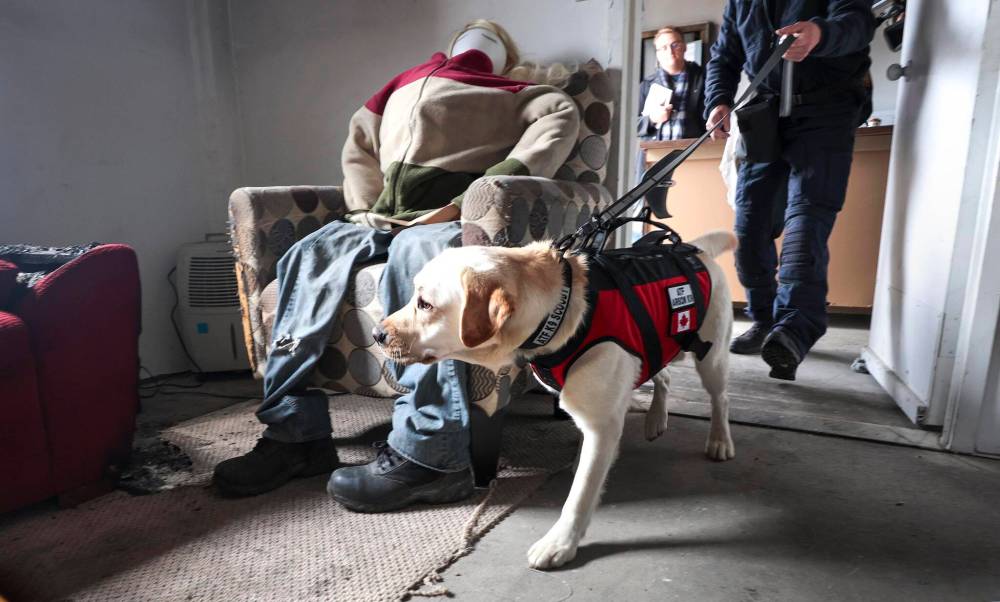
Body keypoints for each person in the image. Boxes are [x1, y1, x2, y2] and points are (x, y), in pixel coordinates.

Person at [212, 20, 579, 511]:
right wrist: (366, 207)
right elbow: (359, 143)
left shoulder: (518, 92)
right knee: (308, 251)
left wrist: (478, 192)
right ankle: (295, 435)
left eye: (489, 37)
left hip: (450, 219)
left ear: (505, 56)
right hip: (379, 217)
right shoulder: (400, 84)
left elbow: (561, 115)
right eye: (471, 35)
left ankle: (430, 455)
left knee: (422, 259)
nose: (476, 43)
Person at [704, 1, 874, 380]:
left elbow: (859, 23)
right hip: (764, 114)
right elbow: (725, 56)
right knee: (748, 229)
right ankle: (765, 319)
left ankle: (794, 330)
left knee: (806, 220)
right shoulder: (740, 4)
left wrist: (821, 34)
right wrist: (718, 100)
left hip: (826, 113)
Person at [638, 27, 707, 144]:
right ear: (657, 54)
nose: (670, 51)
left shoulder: (703, 78)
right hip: (653, 156)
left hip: (694, 154)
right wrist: (652, 119)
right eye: (663, 48)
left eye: (675, 45)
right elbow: (631, 125)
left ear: (684, 47)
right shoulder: (646, 84)